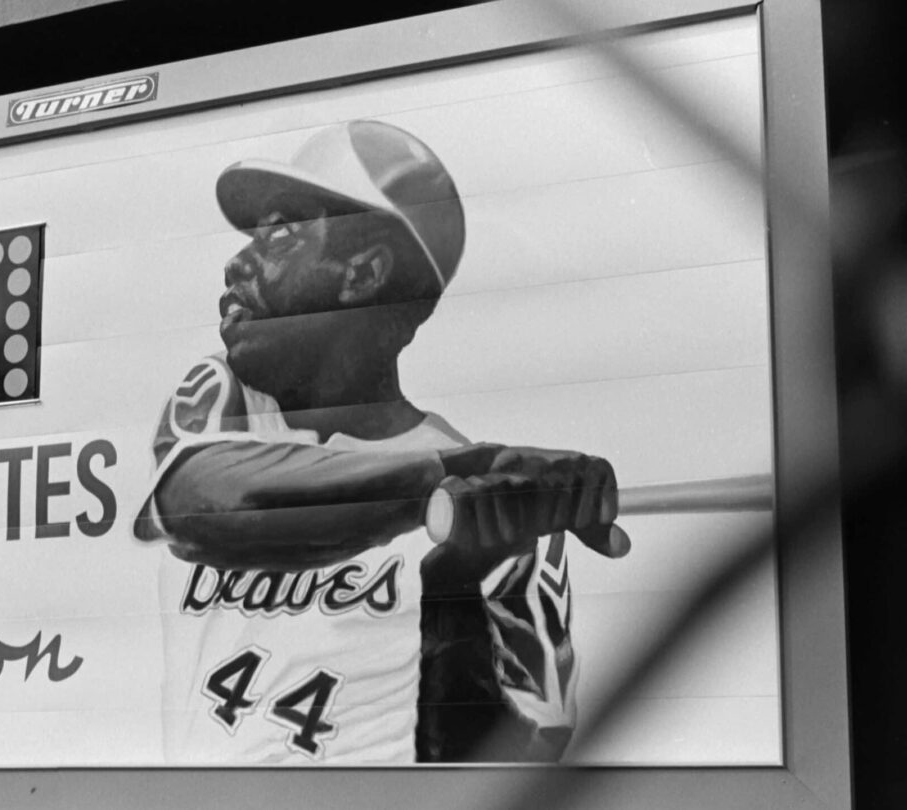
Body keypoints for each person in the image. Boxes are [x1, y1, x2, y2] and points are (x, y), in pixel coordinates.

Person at [133, 120, 629, 764]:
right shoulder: (226, 399)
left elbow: (518, 763)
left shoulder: (507, 505)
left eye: (280, 232)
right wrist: (445, 476)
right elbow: (200, 501)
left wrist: (457, 600)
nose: (238, 259)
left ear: (364, 272)